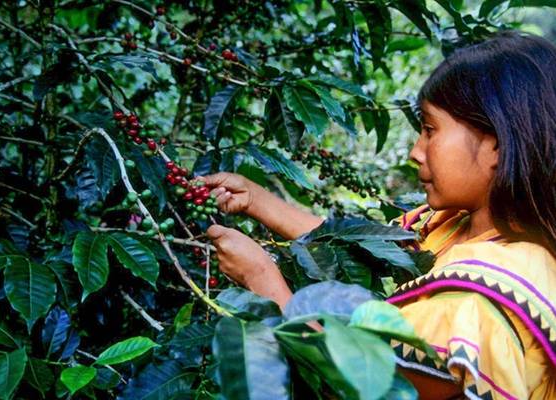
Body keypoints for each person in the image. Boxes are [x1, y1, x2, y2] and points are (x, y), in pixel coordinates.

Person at [200, 31, 556, 399]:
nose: (417, 152)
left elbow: (364, 381)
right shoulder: (456, 226)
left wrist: (261, 278)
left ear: (496, 144)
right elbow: (363, 247)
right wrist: (258, 201)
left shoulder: (489, 296)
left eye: (430, 130)